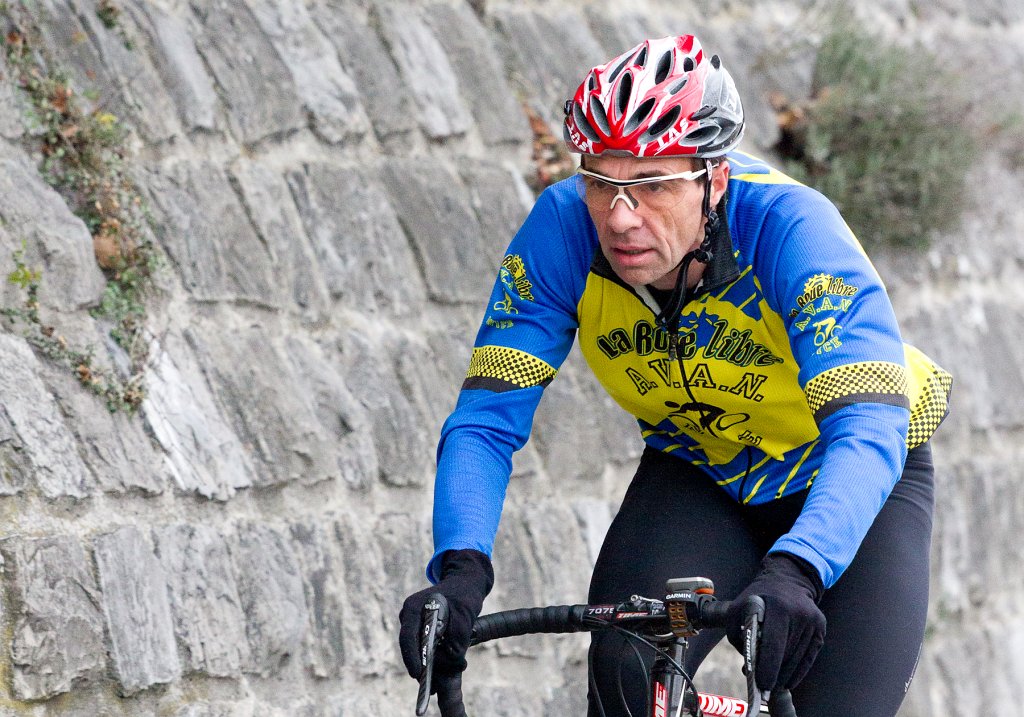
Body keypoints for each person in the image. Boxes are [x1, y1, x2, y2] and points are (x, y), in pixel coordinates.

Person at [399, 34, 951, 717]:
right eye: (601, 182)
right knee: (626, 676)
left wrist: (799, 567)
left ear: (714, 179)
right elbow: (486, 420)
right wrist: (460, 568)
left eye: (653, 185)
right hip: (700, 469)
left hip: (846, 474)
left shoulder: (793, 231)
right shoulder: (563, 233)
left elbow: (867, 425)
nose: (620, 217)